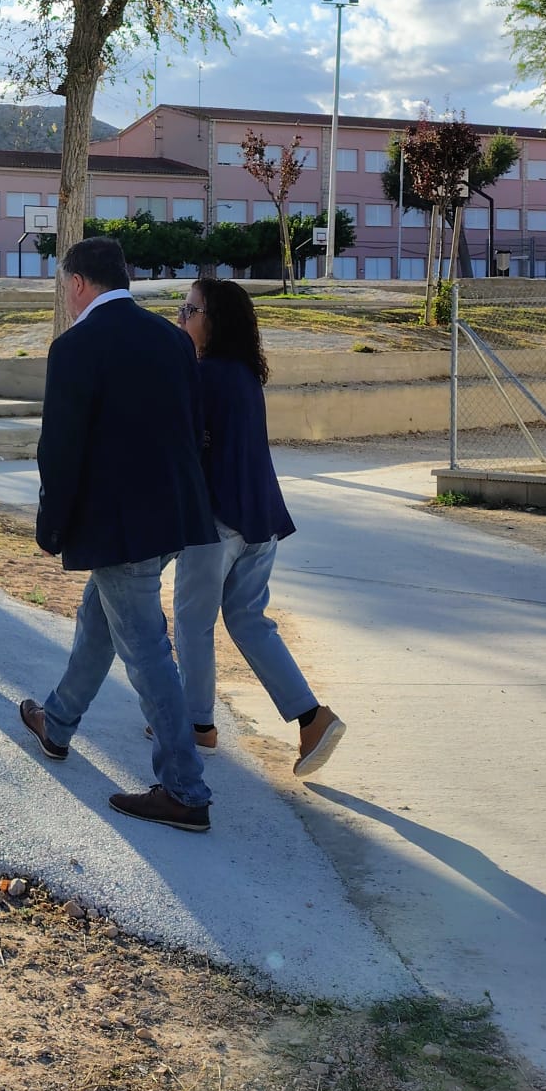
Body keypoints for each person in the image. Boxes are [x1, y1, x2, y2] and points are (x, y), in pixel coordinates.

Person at [17, 237, 218, 832]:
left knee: (147, 651)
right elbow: (195, 429)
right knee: (97, 621)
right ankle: (57, 723)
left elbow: (60, 451)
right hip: (171, 517)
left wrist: (51, 527)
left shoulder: (75, 347)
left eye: (64, 284)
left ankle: (184, 789)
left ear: (78, 283)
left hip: (118, 525)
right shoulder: (172, 338)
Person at [171, 277, 345, 777]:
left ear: (214, 321)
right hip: (260, 520)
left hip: (218, 523)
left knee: (193, 620)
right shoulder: (244, 374)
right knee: (247, 620)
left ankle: (198, 724)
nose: (182, 317)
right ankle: (312, 717)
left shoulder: (205, 376)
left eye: (191, 309)